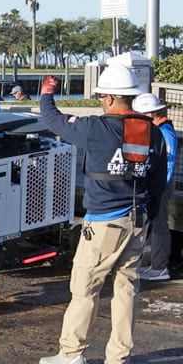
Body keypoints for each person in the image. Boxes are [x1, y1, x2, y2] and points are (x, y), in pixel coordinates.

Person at [38, 65, 167, 364]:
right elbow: (158, 183)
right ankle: (119, 358)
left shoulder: (97, 128)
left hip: (104, 225)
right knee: (126, 290)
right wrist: (150, 221)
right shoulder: (154, 134)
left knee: (85, 289)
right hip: (137, 220)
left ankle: (71, 354)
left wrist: (46, 94)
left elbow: (54, 120)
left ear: (109, 98)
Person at [133, 92, 177, 281]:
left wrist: (158, 188)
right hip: (156, 184)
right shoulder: (161, 129)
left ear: (150, 114)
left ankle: (159, 267)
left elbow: (169, 162)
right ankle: (153, 264)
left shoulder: (164, 132)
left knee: (159, 224)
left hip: (160, 185)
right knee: (154, 223)